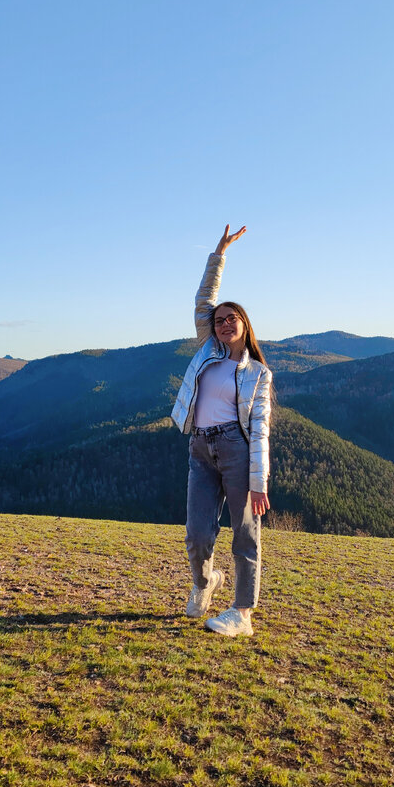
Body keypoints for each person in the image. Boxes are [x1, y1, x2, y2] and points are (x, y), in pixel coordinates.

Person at [170, 224, 273, 637]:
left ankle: (243, 614)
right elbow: (203, 299)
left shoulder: (258, 374)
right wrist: (219, 253)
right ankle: (204, 582)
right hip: (200, 447)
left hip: (237, 449)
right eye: (219, 321)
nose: (224, 324)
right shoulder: (208, 349)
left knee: (244, 533)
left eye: (232, 319)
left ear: (245, 325)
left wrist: (258, 479)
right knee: (197, 534)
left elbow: (261, 428)